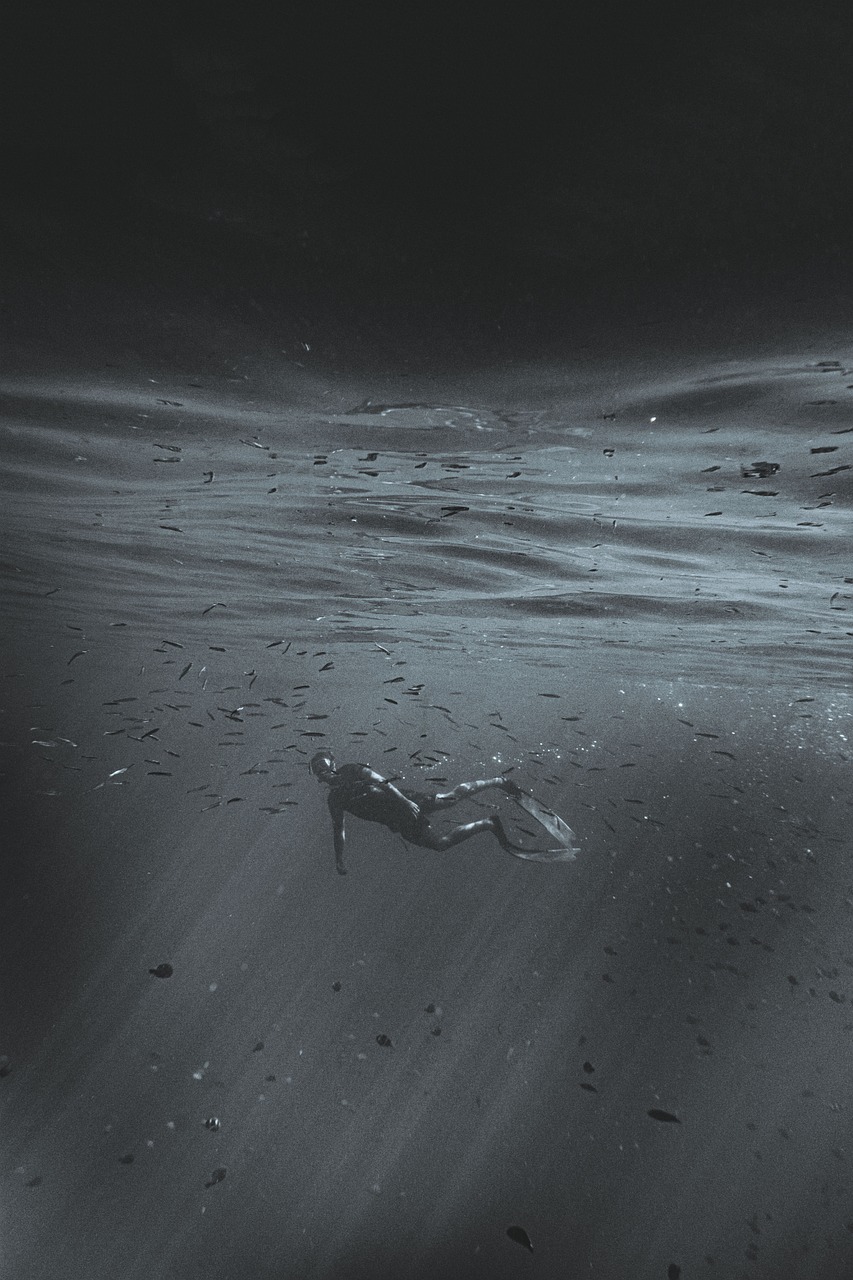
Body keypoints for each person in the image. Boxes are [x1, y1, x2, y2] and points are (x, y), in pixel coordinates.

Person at [309, 751, 529, 875]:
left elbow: (383, 783)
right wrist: (339, 859)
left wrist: (405, 802)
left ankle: (499, 781)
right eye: (316, 768)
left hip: (405, 801)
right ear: (317, 776)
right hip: (398, 821)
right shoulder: (334, 799)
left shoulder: (351, 770)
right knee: (441, 844)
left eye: (323, 764)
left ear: (332, 763)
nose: (321, 770)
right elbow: (339, 829)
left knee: (449, 799)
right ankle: (489, 824)